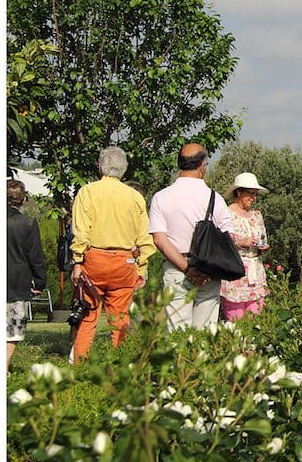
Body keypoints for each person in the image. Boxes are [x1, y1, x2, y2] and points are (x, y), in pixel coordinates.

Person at [69, 146, 156, 361]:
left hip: (94, 260)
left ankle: (78, 366)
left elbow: (81, 232)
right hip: (124, 262)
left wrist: (77, 262)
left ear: (100, 166)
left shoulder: (88, 192)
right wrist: (142, 268)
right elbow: (144, 237)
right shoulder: (135, 197)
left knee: (88, 317)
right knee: (120, 319)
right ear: (124, 169)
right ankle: (120, 364)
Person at [148, 143, 234, 331]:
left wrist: (187, 269)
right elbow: (229, 238)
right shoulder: (215, 198)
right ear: (203, 166)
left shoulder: (161, 197)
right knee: (204, 332)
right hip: (209, 271)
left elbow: (159, 240)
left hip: (176, 269)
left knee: (176, 333)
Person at [219, 173, 271, 321]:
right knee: (236, 322)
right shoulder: (226, 214)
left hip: (256, 274)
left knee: (256, 321)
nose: (253, 197)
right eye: (250, 193)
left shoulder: (257, 215)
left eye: (255, 194)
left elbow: (263, 238)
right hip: (235, 273)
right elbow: (219, 243)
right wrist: (239, 242)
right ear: (239, 192)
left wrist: (262, 246)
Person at [7, 180, 46, 370]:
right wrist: (39, 282)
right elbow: (35, 256)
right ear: (22, 200)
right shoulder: (28, 223)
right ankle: (4, 365)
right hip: (16, 282)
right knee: (13, 330)